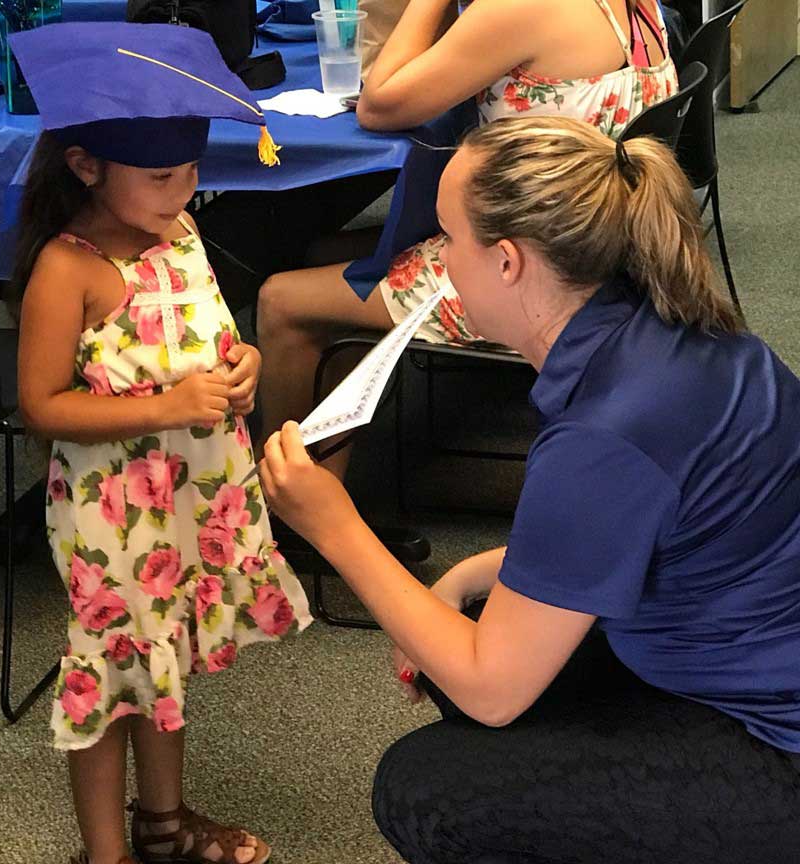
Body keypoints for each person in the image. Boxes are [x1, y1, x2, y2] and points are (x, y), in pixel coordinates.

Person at [258, 116, 800, 864]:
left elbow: (493, 690)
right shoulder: (666, 329)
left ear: (509, 262)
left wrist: (333, 525)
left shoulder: (605, 432)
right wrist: (468, 573)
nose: (439, 260)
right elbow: (641, 526)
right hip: (745, 637)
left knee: (423, 791)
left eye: (447, 238)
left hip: (776, 743)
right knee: (463, 625)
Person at [11, 22, 311, 864]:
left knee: (166, 658)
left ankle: (164, 827)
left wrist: (241, 366)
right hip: (114, 523)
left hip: (185, 499)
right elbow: (41, 405)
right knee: (113, 680)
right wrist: (168, 405)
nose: (180, 193)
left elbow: (204, 342)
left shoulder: (176, 234)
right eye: (158, 177)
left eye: (189, 173)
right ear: (86, 166)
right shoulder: (67, 270)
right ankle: (107, 854)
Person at [256, 0, 679, 478]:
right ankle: (326, 471)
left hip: (539, 276)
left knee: (280, 300)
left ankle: (291, 508)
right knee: (326, 254)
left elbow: (378, 104)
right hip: (605, 249)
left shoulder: (521, 7)